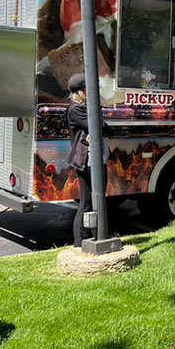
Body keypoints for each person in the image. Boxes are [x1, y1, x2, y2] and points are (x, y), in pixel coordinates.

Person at [65, 73, 106, 248]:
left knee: (94, 200)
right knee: (87, 202)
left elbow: (101, 128)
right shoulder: (76, 109)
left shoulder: (84, 108)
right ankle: (80, 242)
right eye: (89, 89)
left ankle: (91, 237)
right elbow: (99, 126)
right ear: (81, 92)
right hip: (87, 160)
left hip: (93, 158)